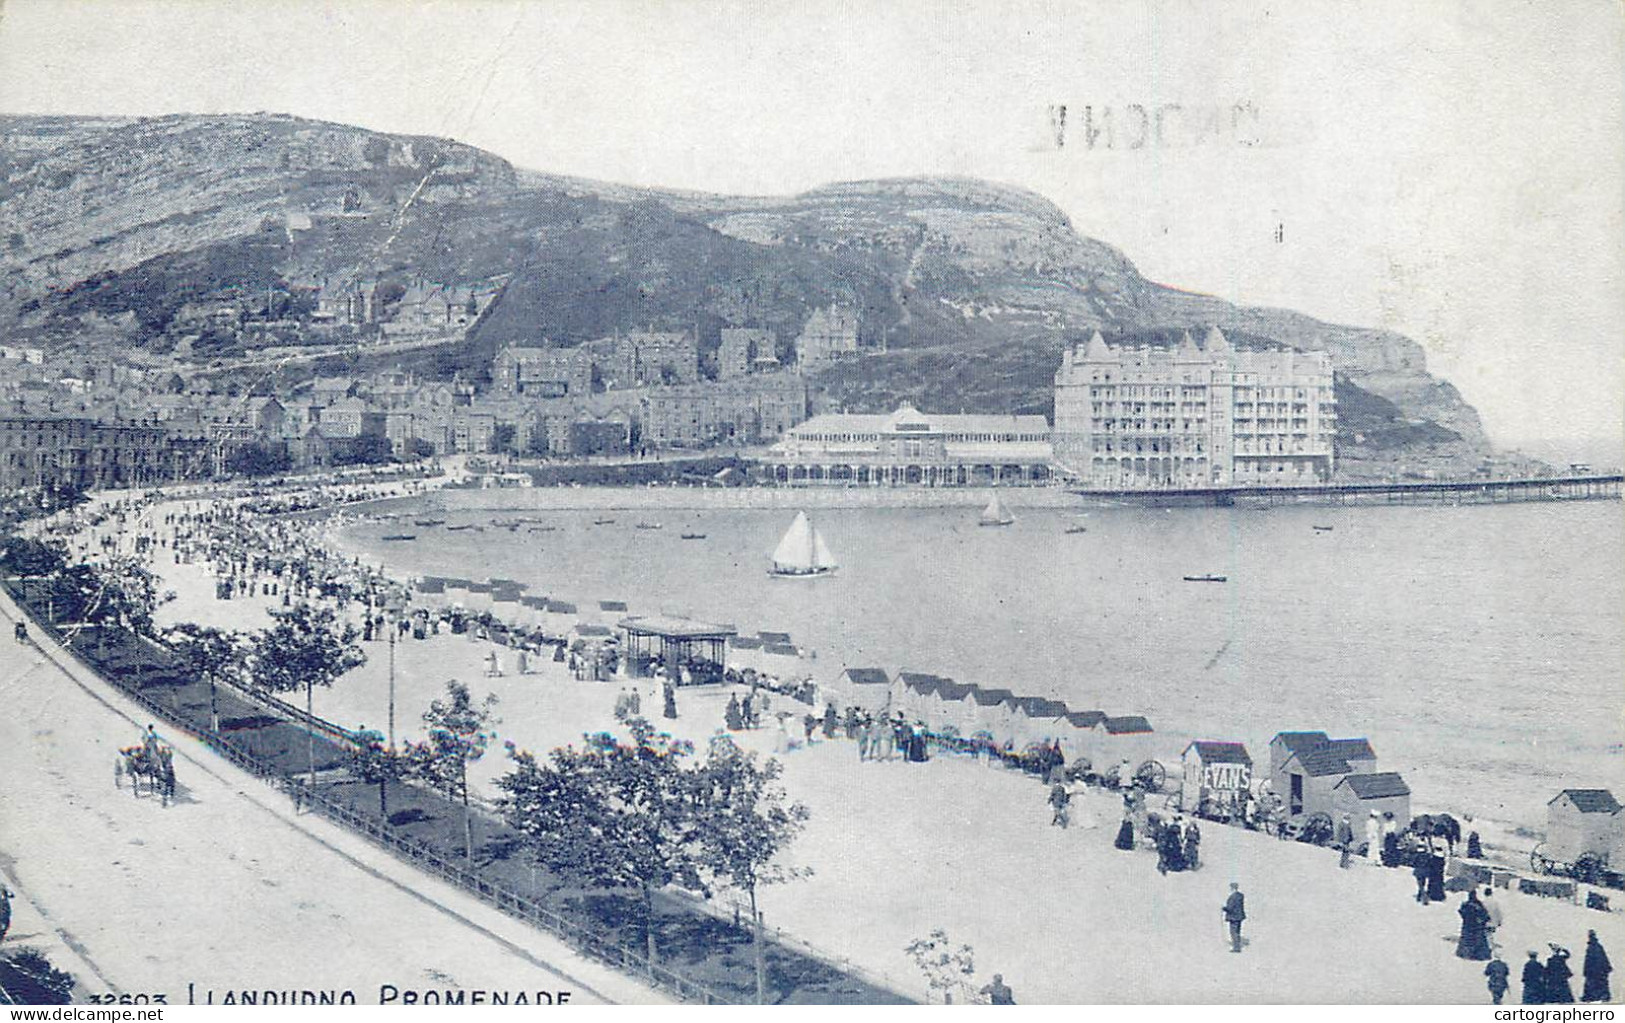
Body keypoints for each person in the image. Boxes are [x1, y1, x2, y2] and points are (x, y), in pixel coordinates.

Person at [1456, 890, 1492, 960]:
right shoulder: (1478, 905)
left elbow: (1461, 912)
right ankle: (1479, 955)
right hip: (1477, 928)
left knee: (1467, 941)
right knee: (1478, 942)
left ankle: (1465, 954)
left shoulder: (1465, 905)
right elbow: (1485, 916)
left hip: (1467, 928)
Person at [1583, 930, 1612, 1003]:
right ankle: (1598, 996)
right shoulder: (1597, 947)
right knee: (1599, 983)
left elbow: (1588, 961)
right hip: (1598, 971)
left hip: (1595, 971)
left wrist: (1586, 970)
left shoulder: (1592, 947)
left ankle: (1595, 996)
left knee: (1594, 984)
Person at [1222, 882, 1246, 953]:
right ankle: (1237, 946)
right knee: (1238, 932)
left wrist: (1224, 908)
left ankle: (1236, 948)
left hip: (1233, 917)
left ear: (1232, 888)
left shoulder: (1233, 897)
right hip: (1239, 916)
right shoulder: (1240, 895)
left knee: (1233, 932)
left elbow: (1230, 908)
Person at [1482, 887, 1503, 951]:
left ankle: (1487, 946)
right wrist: (1500, 921)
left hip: (1485, 921)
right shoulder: (1495, 902)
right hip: (1493, 921)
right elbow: (1498, 912)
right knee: (1490, 934)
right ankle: (1490, 945)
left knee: (1486, 934)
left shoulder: (1483, 902)